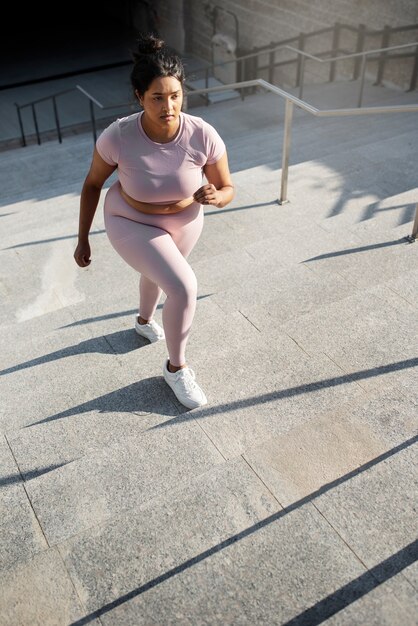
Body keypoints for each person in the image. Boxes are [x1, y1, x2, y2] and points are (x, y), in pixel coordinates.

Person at [74, 33, 234, 409]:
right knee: (182, 286)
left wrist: (218, 196)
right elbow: (92, 184)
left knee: (158, 274)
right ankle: (175, 369)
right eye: (157, 98)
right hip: (130, 218)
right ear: (139, 97)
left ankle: (144, 323)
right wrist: (83, 238)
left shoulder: (202, 133)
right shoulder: (119, 135)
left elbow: (227, 187)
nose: (169, 106)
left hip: (186, 220)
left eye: (175, 96)